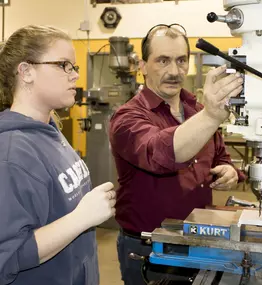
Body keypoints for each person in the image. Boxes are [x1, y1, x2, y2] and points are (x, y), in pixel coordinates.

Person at [109, 24, 246, 284]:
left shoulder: (197, 110)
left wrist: (230, 171)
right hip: (149, 248)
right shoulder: (127, 117)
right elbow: (161, 154)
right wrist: (212, 115)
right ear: (143, 66)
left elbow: (220, 157)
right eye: (163, 60)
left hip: (200, 239)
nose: (174, 71)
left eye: (181, 60)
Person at [0, 25, 116, 285]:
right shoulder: (9, 155)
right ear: (26, 72)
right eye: (64, 65)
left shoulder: (50, 130)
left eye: (73, 67)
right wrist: (81, 218)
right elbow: (7, 257)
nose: (75, 75)